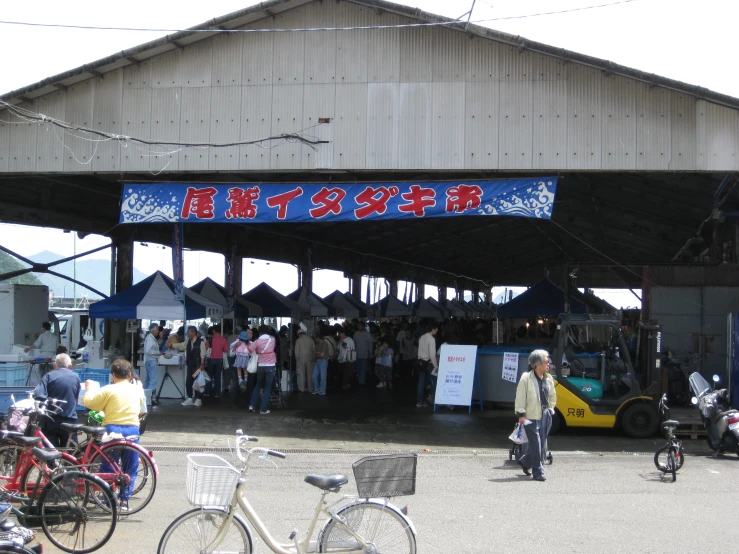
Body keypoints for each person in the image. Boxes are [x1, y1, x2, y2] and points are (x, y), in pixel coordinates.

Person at [82, 359, 145, 510]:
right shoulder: (137, 390)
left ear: (113, 375)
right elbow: (142, 410)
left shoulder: (108, 389)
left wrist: (88, 389)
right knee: (131, 466)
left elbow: (90, 403)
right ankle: (124, 500)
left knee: (109, 464)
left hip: (112, 430)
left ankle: (109, 500)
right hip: (132, 429)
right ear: (130, 375)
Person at [514, 350, 557, 482]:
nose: (548, 364)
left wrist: (550, 409)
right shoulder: (526, 378)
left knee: (541, 443)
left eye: (548, 361)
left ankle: (526, 462)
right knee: (536, 443)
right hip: (530, 415)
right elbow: (520, 397)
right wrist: (521, 414)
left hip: (545, 414)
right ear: (537, 364)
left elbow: (552, 396)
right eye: (546, 362)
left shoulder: (548, 378)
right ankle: (538, 471)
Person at [33, 353, 80, 447]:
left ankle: (53, 462)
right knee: (70, 453)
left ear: (54, 365)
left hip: (51, 420)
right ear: (70, 366)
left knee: (50, 453)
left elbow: (38, 394)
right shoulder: (76, 377)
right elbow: (77, 397)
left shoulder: (48, 376)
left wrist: (47, 400)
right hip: (69, 420)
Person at [170, 326, 207, 407]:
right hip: (190, 364)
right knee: (189, 381)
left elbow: (203, 354)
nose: (188, 333)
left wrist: (202, 364)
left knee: (198, 382)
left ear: (194, 333)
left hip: (197, 365)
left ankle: (198, 399)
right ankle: (189, 398)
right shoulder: (188, 341)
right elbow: (181, 345)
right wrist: (172, 345)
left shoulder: (201, 342)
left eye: (189, 332)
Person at [247, 325, 277, 414]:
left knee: (258, 385)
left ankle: (252, 406)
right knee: (267, 387)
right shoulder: (273, 339)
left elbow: (248, 351)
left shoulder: (256, 341)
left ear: (259, 332)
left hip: (260, 365)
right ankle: (263, 409)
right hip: (271, 366)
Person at [416, 323, 439, 407]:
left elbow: (419, 350)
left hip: (420, 361)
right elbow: (432, 355)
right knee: (435, 380)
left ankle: (419, 401)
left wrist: (419, 359)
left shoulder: (422, 337)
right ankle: (431, 397)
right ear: (432, 329)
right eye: (436, 329)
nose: (437, 331)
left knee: (421, 382)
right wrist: (436, 366)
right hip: (428, 363)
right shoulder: (432, 339)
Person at [207, 326, 229, 400]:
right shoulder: (223, 340)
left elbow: (206, 349)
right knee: (217, 377)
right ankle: (217, 393)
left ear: (214, 331)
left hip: (210, 359)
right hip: (219, 360)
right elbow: (226, 350)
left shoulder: (210, 339)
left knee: (209, 376)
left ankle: (207, 392)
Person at [294, 325, 315, 393]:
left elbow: (296, 351)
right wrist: (313, 358)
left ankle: (301, 388)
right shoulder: (311, 340)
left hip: (301, 358)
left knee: (301, 374)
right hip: (310, 358)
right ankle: (310, 388)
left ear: (299, 334)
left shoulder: (298, 340)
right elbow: (313, 350)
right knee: (310, 374)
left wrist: (297, 359)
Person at [143, 323, 160, 404]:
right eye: (157, 329)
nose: (158, 331)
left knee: (148, 380)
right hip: (151, 360)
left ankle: (143, 397)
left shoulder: (151, 338)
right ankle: (148, 399)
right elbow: (148, 351)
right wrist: (158, 353)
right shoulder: (150, 338)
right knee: (152, 381)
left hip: (149, 361)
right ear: (153, 330)